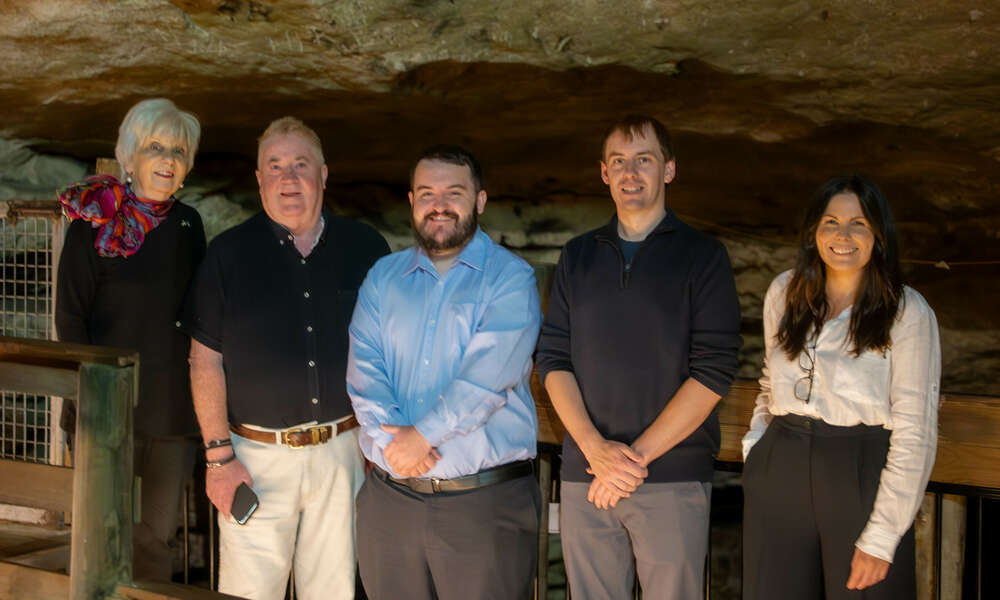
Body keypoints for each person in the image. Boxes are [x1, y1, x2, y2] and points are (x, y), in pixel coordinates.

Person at [535, 114, 742, 599]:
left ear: (668, 170)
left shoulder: (703, 256)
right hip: (587, 473)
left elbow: (713, 371)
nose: (631, 173)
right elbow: (553, 359)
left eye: (644, 160)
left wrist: (632, 461)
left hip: (670, 476)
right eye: (619, 162)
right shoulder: (578, 256)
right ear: (604, 173)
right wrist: (594, 450)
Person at [181, 117, 389, 600]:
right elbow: (203, 361)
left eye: (300, 165)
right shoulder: (226, 255)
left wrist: (377, 441)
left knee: (334, 592)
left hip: (344, 453)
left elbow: (386, 352)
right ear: (258, 179)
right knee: (249, 593)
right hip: (253, 460)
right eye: (274, 166)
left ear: (323, 174)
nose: (288, 178)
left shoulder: (366, 248)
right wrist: (218, 460)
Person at [347, 145, 542, 600]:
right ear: (411, 199)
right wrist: (397, 446)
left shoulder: (511, 279)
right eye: (427, 193)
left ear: (480, 200)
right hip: (389, 504)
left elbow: (486, 380)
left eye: (454, 192)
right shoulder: (383, 277)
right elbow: (364, 371)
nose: (439, 205)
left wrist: (421, 438)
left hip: (481, 507)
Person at [741, 175, 940, 599]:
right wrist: (757, 448)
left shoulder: (907, 311)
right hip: (781, 467)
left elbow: (916, 431)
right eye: (831, 222)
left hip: (860, 473)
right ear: (813, 233)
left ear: (878, 237)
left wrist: (882, 536)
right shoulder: (784, 292)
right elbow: (768, 381)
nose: (843, 235)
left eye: (859, 224)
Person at [55, 97, 205, 581]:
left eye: (179, 152)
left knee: (153, 544)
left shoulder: (189, 226)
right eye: (156, 147)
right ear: (130, 154)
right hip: (106, 411)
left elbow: (200, 319)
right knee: (101, 537)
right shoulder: (91, 223)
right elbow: (71, 319)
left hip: (172, 416)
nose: (168, 160)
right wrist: (94, 400)